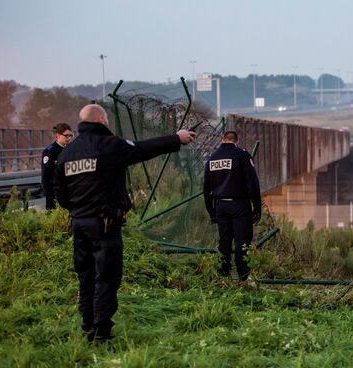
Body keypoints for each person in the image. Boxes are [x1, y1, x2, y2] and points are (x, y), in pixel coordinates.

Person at [53, 104, 195, 343]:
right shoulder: (109, 146)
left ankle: (88, 325)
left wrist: (79, 210)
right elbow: (143, 149)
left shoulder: (67, 154)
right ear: (100, 119)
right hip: (104, 224)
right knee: (106, 277)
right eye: (106, 119)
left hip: (78, 223)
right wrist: (177, 139)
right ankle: (102, 332)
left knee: (85, 276)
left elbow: (60, 193)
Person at [203, 131, 261, 283]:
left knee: (224, 241)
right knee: (242, 242)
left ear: (222, 139)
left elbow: (206, 188)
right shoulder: (241, 155)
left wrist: (211, 212)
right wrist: (257, 208)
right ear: (237, 141)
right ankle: (243, 278)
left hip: (221, 205)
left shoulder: (212, 158)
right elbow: (253, 183)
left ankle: (223, 276)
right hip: (239, 204)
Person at [41, 123, 73, 209]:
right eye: (66, 136)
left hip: (67, 191)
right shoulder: (50, 151)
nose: (69, 138)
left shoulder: (70, 150)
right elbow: (46, 175)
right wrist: (50, 195)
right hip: (54, 192)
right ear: (58, 136)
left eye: (70, 136)